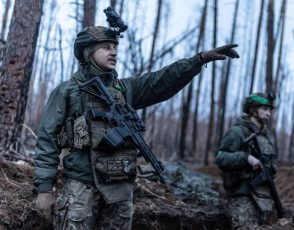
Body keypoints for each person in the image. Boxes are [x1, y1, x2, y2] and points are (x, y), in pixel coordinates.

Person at [33, 16, 239, 229]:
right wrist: (44, 190)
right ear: (87, 52)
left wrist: (198, 60)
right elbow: (47, 140)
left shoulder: (125, 89)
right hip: (80, 189)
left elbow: (162, 80)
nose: (113, 51)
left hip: (120, 189)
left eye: (114, 47)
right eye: (105, 47)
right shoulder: (68, 91)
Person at [215, 92, 277, 228]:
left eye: (270, 110)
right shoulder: (237, 132)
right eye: (264, 109)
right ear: (254, 110)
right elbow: (220, 158)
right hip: (242, 194)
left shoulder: (267, 136)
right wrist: (245, 158)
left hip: (264, 196)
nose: (269, 114)